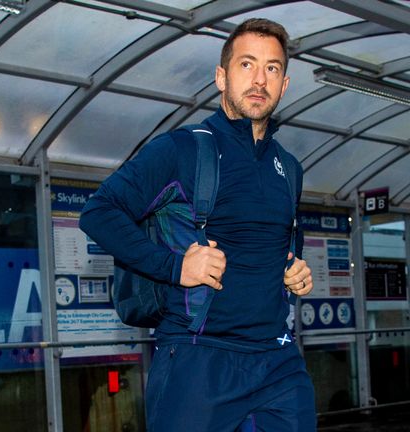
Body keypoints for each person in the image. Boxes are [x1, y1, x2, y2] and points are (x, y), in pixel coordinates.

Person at [79, 18, 316, 432]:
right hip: (197, 357)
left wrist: (294, 269)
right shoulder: (182, 149)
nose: (260, 79)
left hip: (277, 360)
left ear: (285, 84)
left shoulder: (289, 169)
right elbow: (99, 212)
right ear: (221, 77)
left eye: (272, 68)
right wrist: (175, 268)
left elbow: (284, 244)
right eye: (247, 65)